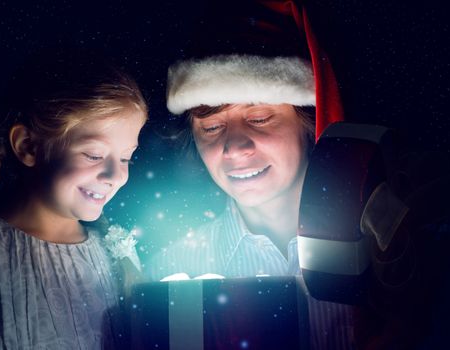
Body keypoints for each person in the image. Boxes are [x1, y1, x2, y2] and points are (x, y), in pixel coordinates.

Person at [145, 0, 358, 349]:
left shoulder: (389, 258)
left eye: (259, 118)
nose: (234, 147)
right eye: (212, 127)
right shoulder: (166, 272)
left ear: (308, 122)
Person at [0, 49, 147, 349]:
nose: (114, 174)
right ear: (28, 146)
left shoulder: (118, 255)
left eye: (126, 158)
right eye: (94, 155)